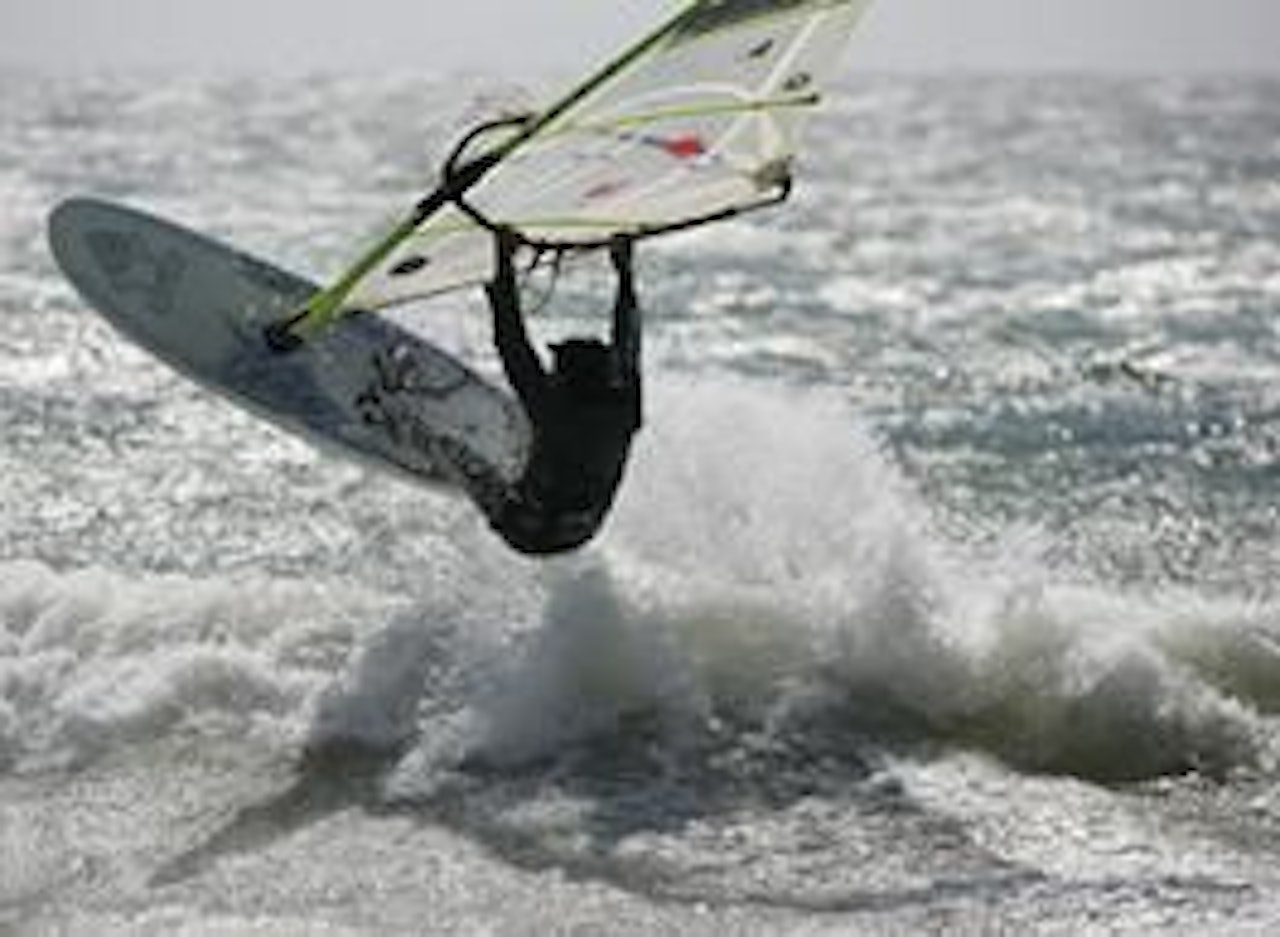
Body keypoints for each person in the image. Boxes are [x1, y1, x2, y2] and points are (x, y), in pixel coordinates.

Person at [462, 226, 643, 555]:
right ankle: (528, 466)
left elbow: (512, 342)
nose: (550, 375)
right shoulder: (621, 409)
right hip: (582, 531)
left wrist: (500, 265)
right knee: (549, 456)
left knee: (465, 458)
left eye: (554, 371)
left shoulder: (564, 413)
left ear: (566, 379)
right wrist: (624, 274)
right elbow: (628, 343)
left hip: (526, 531)